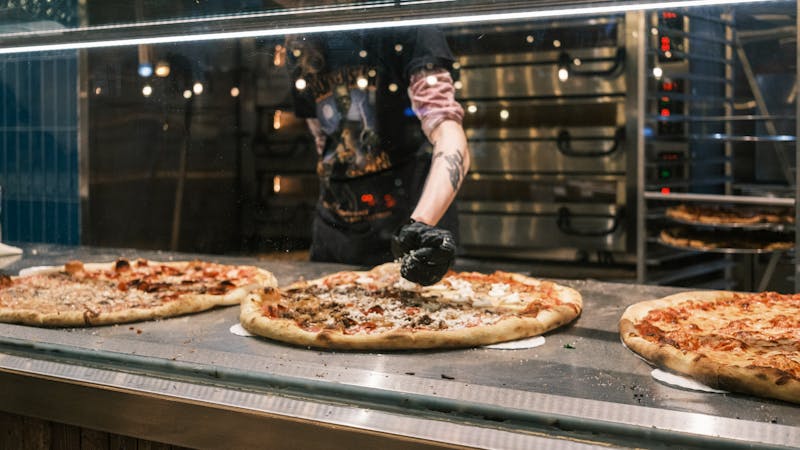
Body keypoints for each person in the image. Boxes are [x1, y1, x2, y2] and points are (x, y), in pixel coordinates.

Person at [286, 26, 469, 285]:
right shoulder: (300, 41)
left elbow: (448, 132)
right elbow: (324, 143)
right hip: (333, 235)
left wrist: (420, 224)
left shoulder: (405, 22)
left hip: (410, 226)